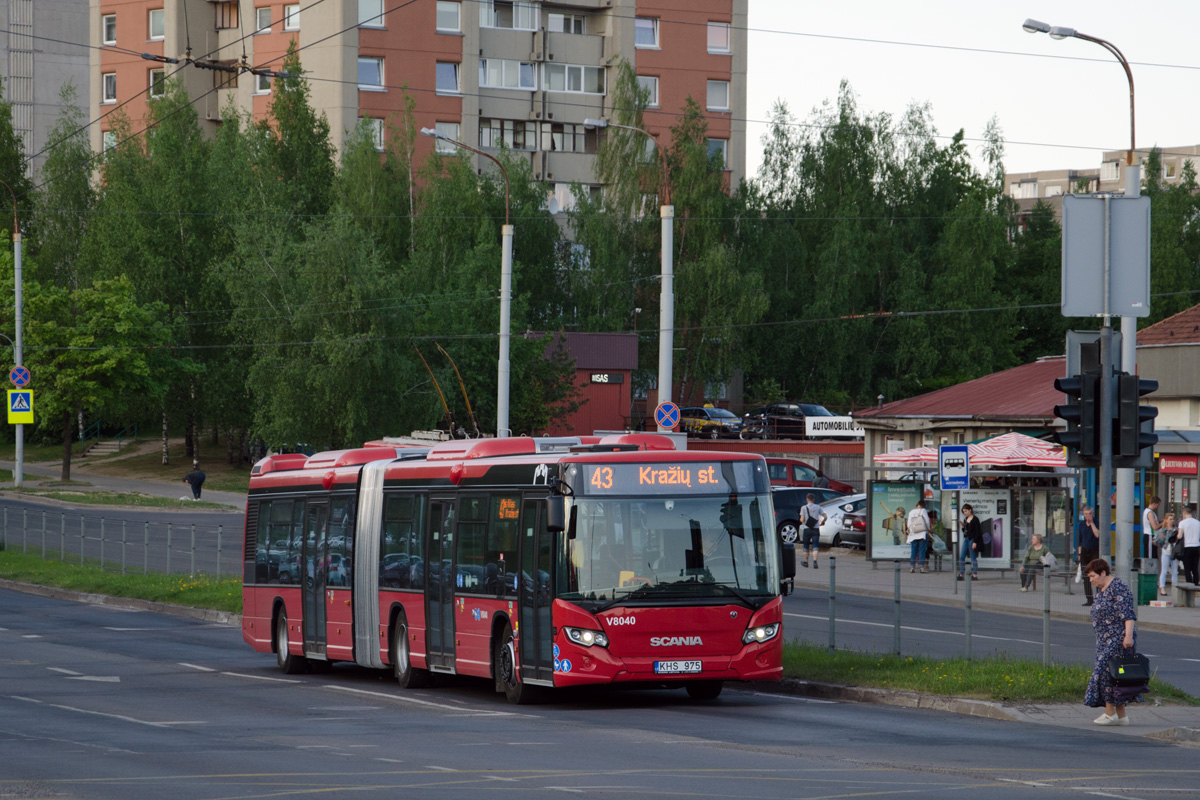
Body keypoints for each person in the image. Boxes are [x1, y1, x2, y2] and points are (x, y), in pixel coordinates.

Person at [1083, 558, 1141, 726]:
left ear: (1103, 573)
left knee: (1104, 674)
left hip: (1118, 639)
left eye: (1093, 576)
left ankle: (1110, 713)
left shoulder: (1118, 588)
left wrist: (1128, 637)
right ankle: (1122, 716)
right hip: (1104, 641)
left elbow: (1128, 615)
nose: (1091, 580)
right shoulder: (1102, 589)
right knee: (1116, 676)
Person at [1077, 505, 1101, 606]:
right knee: (1085, 575)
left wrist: (1091, 524)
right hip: (1084, 551)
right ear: (1083, 515)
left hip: (1094, 550)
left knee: (1096, 574)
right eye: (1086, 514)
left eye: (1090, 514)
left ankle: (1099, 598)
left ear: (1093, 514)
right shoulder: (1082, 524)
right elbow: (1080, 539)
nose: (1088, 516)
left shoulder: (1097, 522)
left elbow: (1097, 535)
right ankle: (1089, 599)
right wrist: (1079, 553)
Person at [1155, 512, 1180, 597]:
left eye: (1173, 519)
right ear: (1166, 520)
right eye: (1170, 519)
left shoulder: (1177, 530)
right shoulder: (1163, 530)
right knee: (1164, 570)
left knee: (1175, 571)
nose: (1172, 521)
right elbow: (1158, 540)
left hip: (1175, 552)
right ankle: (1162, 588)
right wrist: (1162, 543)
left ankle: (1175, 589)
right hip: (1166, 551)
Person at [800, 494, 826, 569]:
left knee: (806, 546)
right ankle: (815, 561)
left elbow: (802, 520)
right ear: (814, 499)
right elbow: (825, 516)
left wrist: (805, 523)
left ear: (807, 499)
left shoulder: (804, 507)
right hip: (816, 529)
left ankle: (805, 562)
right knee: (815, 545)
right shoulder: (818, 507)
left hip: (807, 529)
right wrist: (823, 521)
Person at [957, 503, 982, 580]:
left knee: (972, 557)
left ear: (970, 510)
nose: (964, 513)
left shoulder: (975, 519)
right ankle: (961, 574)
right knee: (961, 556)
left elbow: (978, 531)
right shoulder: (965, 519)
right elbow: (966, 531)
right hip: (966, 538)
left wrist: (975, 542)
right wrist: (963, 526)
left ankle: (974, 574)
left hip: (972, 539)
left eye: (966, 511)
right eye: (963, 511)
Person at [906, 500, 930, 573]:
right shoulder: (923, 511)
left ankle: (912, 567)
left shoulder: (911, 512)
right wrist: (928, 529)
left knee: (914, 551)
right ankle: (921, 567)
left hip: (913, 534)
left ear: (917, 505)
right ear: (923, 505)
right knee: (921, 551)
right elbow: (927, 521)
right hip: (922, 533)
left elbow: (909, 524)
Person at [1179, 503, 1200, 585]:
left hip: (1187, 546)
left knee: (1187, 568)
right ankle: (1195, 585)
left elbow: (1179, 536)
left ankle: (1189, 585)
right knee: (1195, 568)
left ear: (1184, 513)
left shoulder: (1182, 523)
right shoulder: (1198, 523)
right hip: (1197, 546)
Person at [1142, 496, 1163, 562]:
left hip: (1152, 537)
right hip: (1150, 536)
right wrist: (1164, 523)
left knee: (1153, 555)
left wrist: (1163, 520)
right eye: (1158, 504)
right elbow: (1155, 526)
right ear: (1154, 503)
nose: (1158, 506)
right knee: (1150, 558)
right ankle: (1149, 571)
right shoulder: (1150, 513)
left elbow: (1156, 520)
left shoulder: (1149, 512)